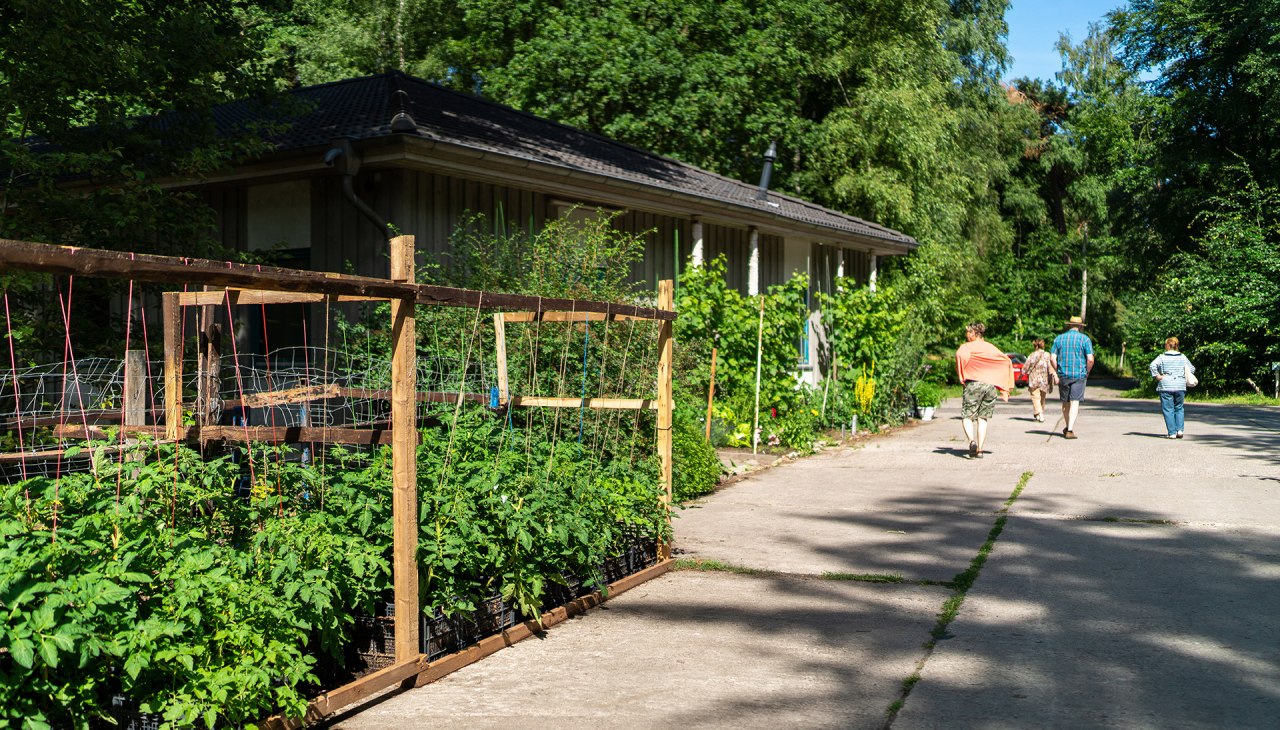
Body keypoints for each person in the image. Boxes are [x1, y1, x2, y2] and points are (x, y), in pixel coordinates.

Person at [955, 322, 1014, 459]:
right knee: (983, 418)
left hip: (973, 384)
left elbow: (960, 356)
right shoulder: (991, 347)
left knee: (967, 416)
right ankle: (980, 450)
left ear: (973, 333)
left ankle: (971, 441)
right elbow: (1005, 360)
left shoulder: (966, 347)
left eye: (967, 332)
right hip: (990, 387)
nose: (966, 335)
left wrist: (962, 375)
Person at [1050, 315, 1094, 439]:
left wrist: (1058, 369)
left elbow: (1052, 357)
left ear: (1069, 325)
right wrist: (1087, 371)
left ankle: (1067, 426)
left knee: (1065, 403)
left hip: (1064, 374)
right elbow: (1090, 359)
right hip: (1079, 374)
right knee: (1075, 402)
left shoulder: (1059, 339)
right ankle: (1069, 429)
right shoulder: (1085, 339)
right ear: (1080, 326)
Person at [1149, 337, 1196, 439]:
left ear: (1167, 345)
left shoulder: (1162, 357)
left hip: (1166, 385)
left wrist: (1157, 376)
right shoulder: (1182, 357)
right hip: (1180, 385)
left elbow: (1152, 365)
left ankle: (1172, 433)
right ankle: (1179, 430)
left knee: (1168, 409)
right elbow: (1192, 368)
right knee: (1179, 408)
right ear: (1176, 345)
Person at [1022, 338, 1054, 422]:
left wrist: (1022, 373)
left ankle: (1039, 414)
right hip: (1044, 380)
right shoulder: (1047, 355)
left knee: (1035, 397)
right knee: (1042, 398)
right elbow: (1050, 366)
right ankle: (1039, 413)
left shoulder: (1032, 355)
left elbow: (1026, 366)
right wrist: (1053, 375)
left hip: (1034, 379)